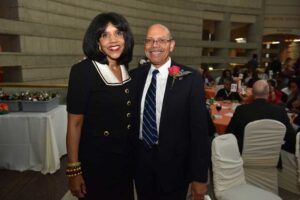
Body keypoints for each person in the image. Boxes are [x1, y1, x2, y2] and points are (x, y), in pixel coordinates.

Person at [131, 24, 209, 200]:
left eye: (161, 40)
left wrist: (199, 178)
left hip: (175, 169)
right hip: (141, 164)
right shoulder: (135, 76)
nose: (154, 45)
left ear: (171, 45)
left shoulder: (190, 79)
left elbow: (199, 133)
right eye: (149, 40)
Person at [66, 12, 135, 199]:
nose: (113, 40)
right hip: (97, 163)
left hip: (125, 161)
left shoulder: (124, 66)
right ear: (97, 41)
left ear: (125, 37)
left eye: (118, 33)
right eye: (105, 34)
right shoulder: (83, 71)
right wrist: (74, 171)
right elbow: (74, 124)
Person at [226, 80, 296, 155]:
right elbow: (291, 138)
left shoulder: (241, 110)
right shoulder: (280, 111)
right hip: (271, 156)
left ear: (252, 92)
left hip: (245, 155)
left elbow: (229, 132)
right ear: (268, 93)